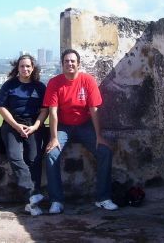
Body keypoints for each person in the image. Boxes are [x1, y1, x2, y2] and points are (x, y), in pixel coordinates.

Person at [43, 49, 118, 214]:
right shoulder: (54, 82)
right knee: (51, 154)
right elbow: (53, 112)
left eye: (72, 61)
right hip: (63, 125)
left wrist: (99, 136)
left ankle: (103, 198)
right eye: (66, 61)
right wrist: (54, 138)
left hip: (84, 125)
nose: (69, 64)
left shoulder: (87, 81)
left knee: (104, 151)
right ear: (62, 64)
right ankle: (56, 200)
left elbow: (94, 110)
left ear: (78, 64)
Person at [0, 55, 48, 216]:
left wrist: (36, 126)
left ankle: (30, 203)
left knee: (34, 159)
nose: (25, 69)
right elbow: (2, 108)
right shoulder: (9, 85)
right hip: (12, 124)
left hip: (33, 124)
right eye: (22, 66)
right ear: (17, 68)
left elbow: (45, 109)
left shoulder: (39, 87)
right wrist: (17, 126)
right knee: (15, 156)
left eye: (28, 66)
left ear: (33, 68)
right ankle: (33, 194)